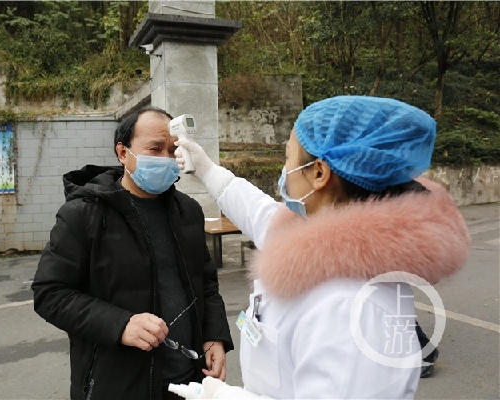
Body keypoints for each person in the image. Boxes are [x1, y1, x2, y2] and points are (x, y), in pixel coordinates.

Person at [172, 96, 470, 398]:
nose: (284, 171)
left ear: (319, 173)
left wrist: (224, 397)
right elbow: (261, 215)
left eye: (288, 158)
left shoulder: (351, 307)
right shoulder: (324, 239)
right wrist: (207, 170)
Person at [31, 107, 233, 400]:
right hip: (117, 386)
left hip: (190, 382)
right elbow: (50, 293)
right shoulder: (83, 214)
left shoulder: (188, 211)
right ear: (122, 153)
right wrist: (120, 324)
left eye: (172, 150)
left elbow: (206, 281)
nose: (165, 158)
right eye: (154, 149)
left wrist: (215, 335)